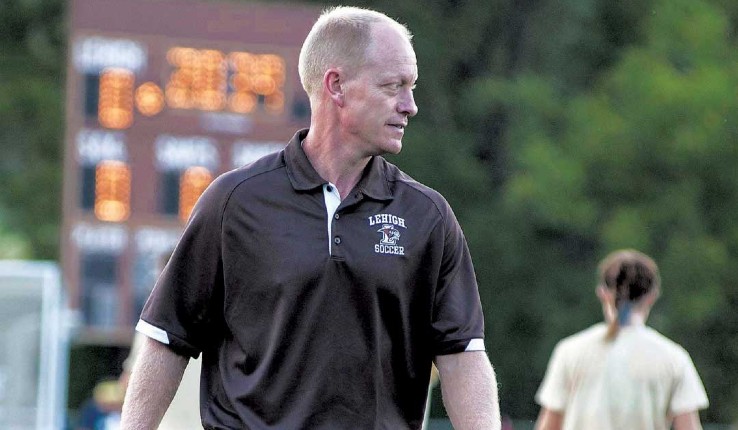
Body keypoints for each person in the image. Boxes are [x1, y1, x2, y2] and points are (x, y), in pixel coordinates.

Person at [121, 6, 500, 430]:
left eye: (411, 87)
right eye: (393, 86)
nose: (410, 106)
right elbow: (166, 340)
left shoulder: (427, 216)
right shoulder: (234, 202)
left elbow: (463, 354)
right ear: (336, 86)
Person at [535, 249, 709, 430]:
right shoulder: (675, 358)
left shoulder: (570, 351)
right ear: (651, 296)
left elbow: (549, 426)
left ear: (603, 293)